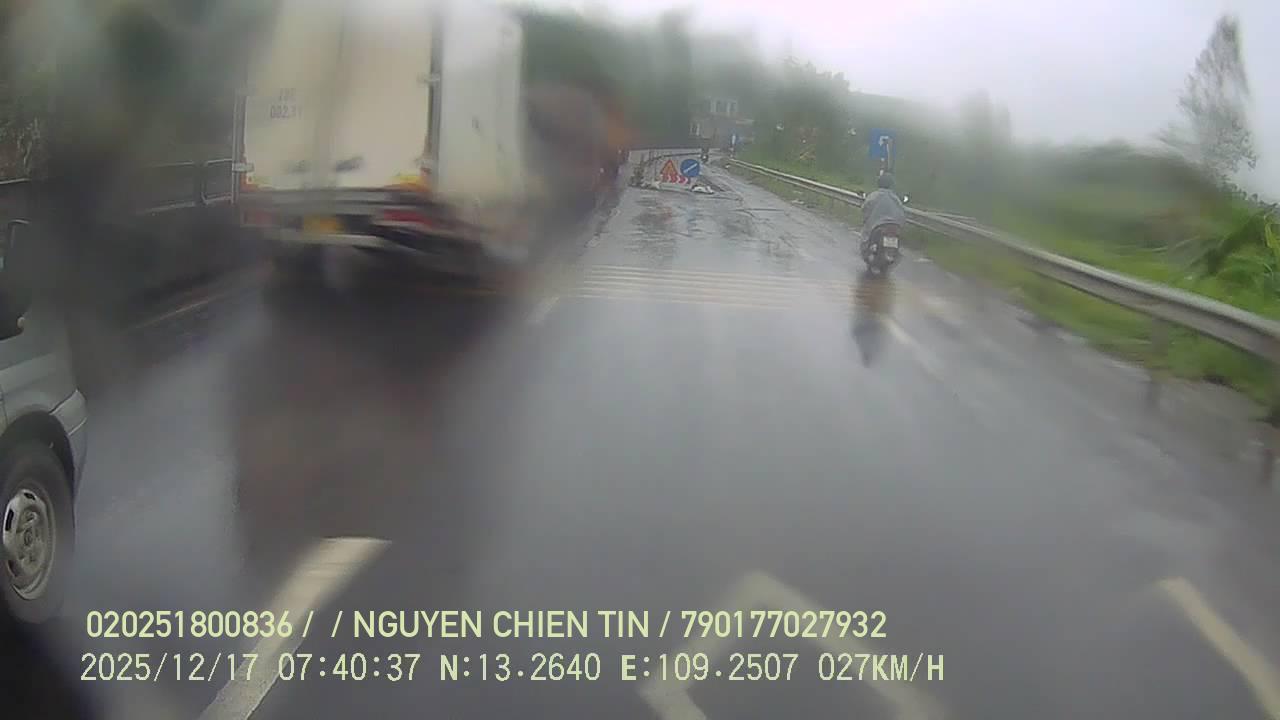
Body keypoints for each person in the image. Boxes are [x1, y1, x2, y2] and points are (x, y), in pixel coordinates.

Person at [860, 171, 906, 242]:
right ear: (891, 184)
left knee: (865, 239)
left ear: (879, 183)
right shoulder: (896, 198)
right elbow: (902, 213)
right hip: (895, 226)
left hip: (877, 226)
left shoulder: (873, 196)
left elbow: (864, 209)